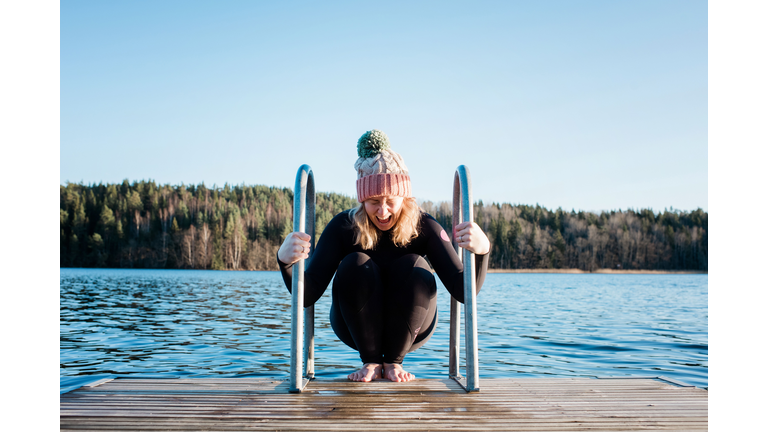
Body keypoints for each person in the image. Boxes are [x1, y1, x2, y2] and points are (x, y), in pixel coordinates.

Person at [277, 129, 490, 383]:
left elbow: (463, 290)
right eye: (373, 201)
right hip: (353, 327)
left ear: (404, 196)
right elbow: (308, 295)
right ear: (362, 200)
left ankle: (393, 363)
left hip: (414, 325)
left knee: (414, 266)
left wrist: (483, 250)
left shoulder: (425, 226)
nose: (383, 210)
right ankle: (371, 362)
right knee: (355, 263)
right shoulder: (344, 226)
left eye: (391, 200)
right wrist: (285, 261)